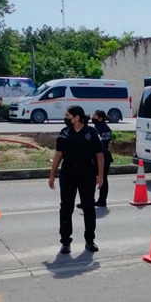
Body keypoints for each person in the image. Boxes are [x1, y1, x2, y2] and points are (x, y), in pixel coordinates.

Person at [48, 106, 104, 254]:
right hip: (68, 174)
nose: (65, 118)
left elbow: (99, 155)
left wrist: (101, 175)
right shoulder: (64, 132)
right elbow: (58, 154)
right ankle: (65, 242)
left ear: (76, 118)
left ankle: (89, 240)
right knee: (66, 208)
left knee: (88, 207)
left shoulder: (91, 132)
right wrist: (52, 174)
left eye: (68, 115)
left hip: (87, 174)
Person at [91, 110, 113, 207]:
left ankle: (91, 200)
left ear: (100, 118)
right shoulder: (104, 127)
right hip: (105, 155)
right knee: (103, 178)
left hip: (100, 156)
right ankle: (101, 199)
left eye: (95, 116)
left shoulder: (99, 129)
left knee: (96, 178)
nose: (93, 118)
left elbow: (100, 145)